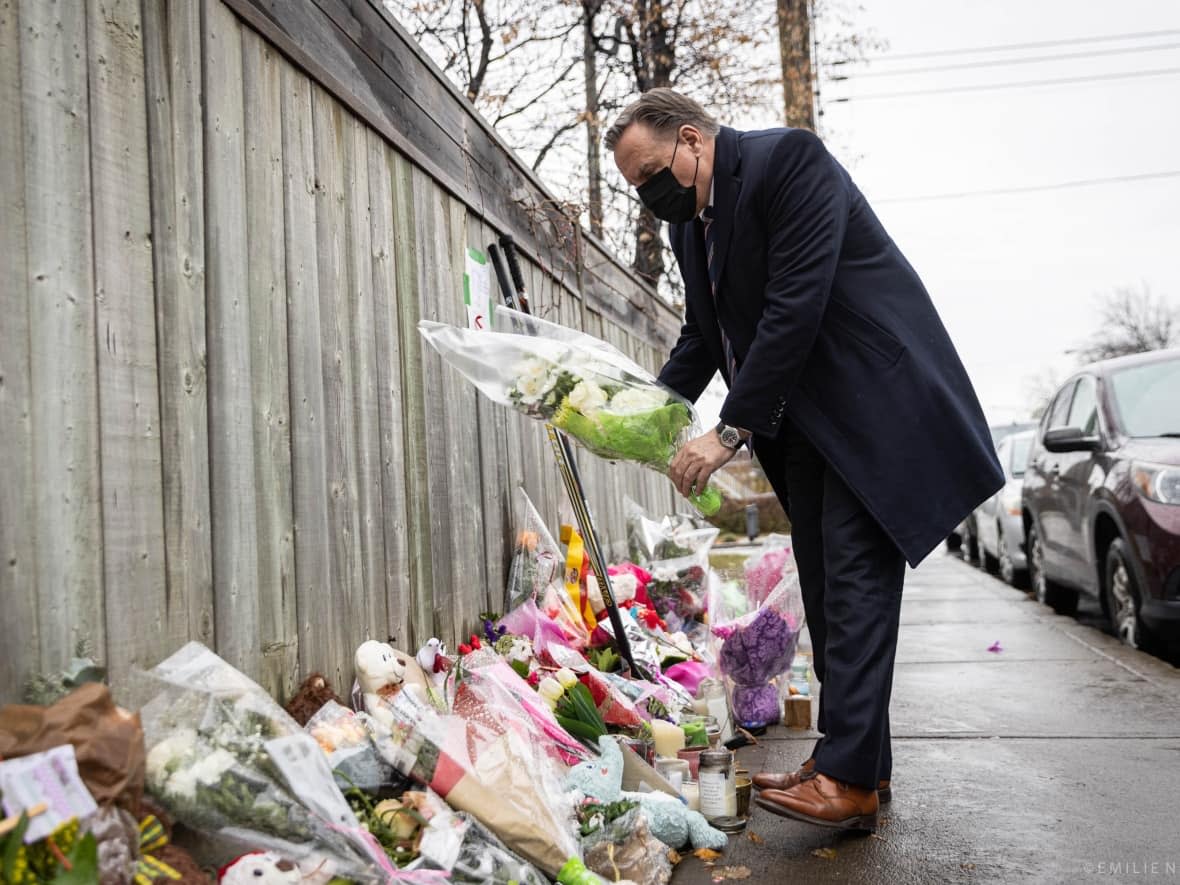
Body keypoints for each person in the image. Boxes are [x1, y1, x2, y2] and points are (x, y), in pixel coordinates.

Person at [605, 89, 1003, 832]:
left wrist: (727, 432)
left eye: (653, 172)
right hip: (810, 429)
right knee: (827, 595)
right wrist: (636, 415)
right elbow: (704, 336)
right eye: (638, 186)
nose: (651, 194)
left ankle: (848, 779)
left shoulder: (789, 163)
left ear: (692, 138)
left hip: (874, 408)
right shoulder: (695, 228)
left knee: (854, 587)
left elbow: (797, 302)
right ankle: (857, 762)